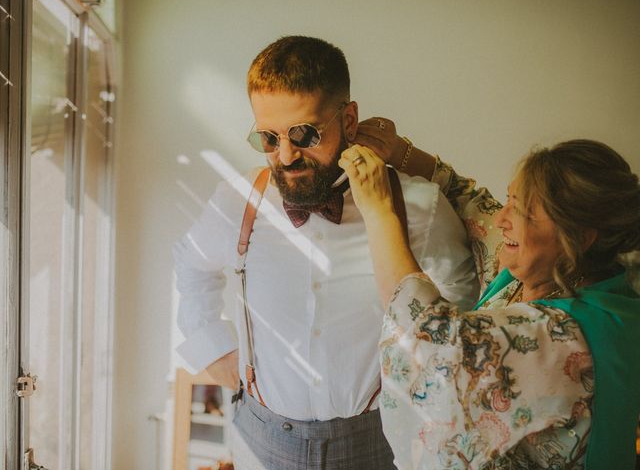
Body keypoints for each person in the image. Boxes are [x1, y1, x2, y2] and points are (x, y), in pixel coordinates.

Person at [173, 36, 480, 470]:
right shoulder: (239, 199)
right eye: (268, 137)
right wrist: (212, 348)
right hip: (259, 438)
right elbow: (191, 261)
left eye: (304, 134)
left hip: (380, 442)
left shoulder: (417, 206)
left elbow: (461, 309)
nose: (285, 155)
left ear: (349, 119)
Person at [339, 135, 640, 469]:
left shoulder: (567, 338)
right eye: (509, 198)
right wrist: (398, 150)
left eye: (523, 210)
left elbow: (432, 339)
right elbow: (471, 202)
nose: (502, 218)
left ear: (580, 237)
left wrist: (380, 212)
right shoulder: (540, 265)